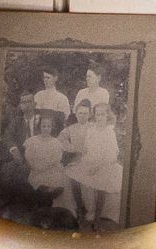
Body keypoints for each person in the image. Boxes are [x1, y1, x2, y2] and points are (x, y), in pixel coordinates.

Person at [67, 99, 126, 231]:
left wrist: (97, 166)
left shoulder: (109, 132)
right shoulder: (91, 130)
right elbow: (87, 149)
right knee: (74, 177)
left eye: (102, 114)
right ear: (95, 116)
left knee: (102, 182)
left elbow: (111, 154)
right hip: (90, 160)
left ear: (107, 116)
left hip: (105, 163)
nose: (100, 117)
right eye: (98, 114)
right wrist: (82, 161)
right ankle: (81, 210)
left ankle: (97, 218)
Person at [22, 110, 76, 226]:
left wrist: (44, 168)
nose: (46, 128)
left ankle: (55, 215)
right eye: (43, 126)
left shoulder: (55, 142)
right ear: (39, 127)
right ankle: (42, 214)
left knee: (58, 182)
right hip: (36, 171)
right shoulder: (32, 141)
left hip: (51, 170)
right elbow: (29, 157)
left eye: (48, 126)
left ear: (52, 127)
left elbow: (55, 159)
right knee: (40, 185)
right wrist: (36, 167)